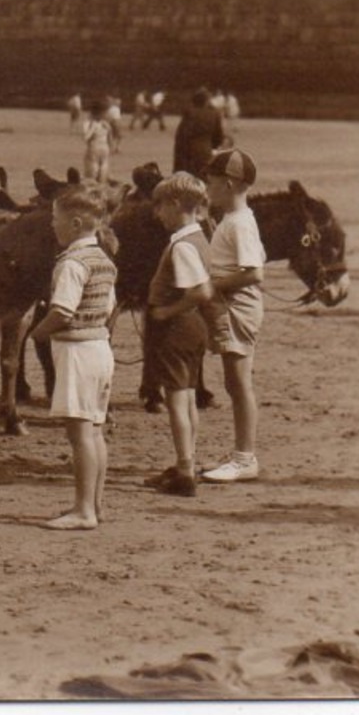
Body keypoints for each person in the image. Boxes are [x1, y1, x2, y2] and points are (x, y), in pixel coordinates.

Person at [29, 183, 118, 530]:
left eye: (56, 219)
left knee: (79, 433)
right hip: (100, 348)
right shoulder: (103, 260)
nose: (52, 225)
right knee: (94, 431)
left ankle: (83, 511)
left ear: (76, 223)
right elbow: (108, 307)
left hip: (78, 352)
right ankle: (95, 504)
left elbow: (63, 311)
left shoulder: (72, 263)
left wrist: (36, 333)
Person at [142, 172, 215, 497]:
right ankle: (186, 459)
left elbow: (200, 291)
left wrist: (165, 312)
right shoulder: (199, 237)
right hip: (193, 328)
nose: (157, 214)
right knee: (186, 397)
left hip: (176, 328)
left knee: (176, 399)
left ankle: (185, 469)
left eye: (160, 207)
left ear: (175, 205)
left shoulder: (182, 245)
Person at [201, 149, 266, 483]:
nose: (206, 187)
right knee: (234, 382)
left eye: (210, 181)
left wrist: (212, 285)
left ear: (228, 184)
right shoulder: (233, 218)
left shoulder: (240, 223)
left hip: (237, 308)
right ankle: (242, 453)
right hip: (232, 305)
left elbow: (254, 273)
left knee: (239, 383)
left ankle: (244, 459)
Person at [172, 88, 226, 176]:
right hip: (206, 151)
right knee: (203, 179)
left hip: (188, 153)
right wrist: (213, 146)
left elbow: (181, 136)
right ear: (206, 101)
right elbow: (218, 135)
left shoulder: (189, 113)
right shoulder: (214, 114)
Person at [81, 98, 112, 183]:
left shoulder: (89, 123)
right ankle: (101, 186)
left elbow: (86, 138)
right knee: (103, 168)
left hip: (94, 147)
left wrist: (93, 129)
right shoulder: (105, 124)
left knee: (92, 173)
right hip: (104, 147)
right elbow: (110, 139)